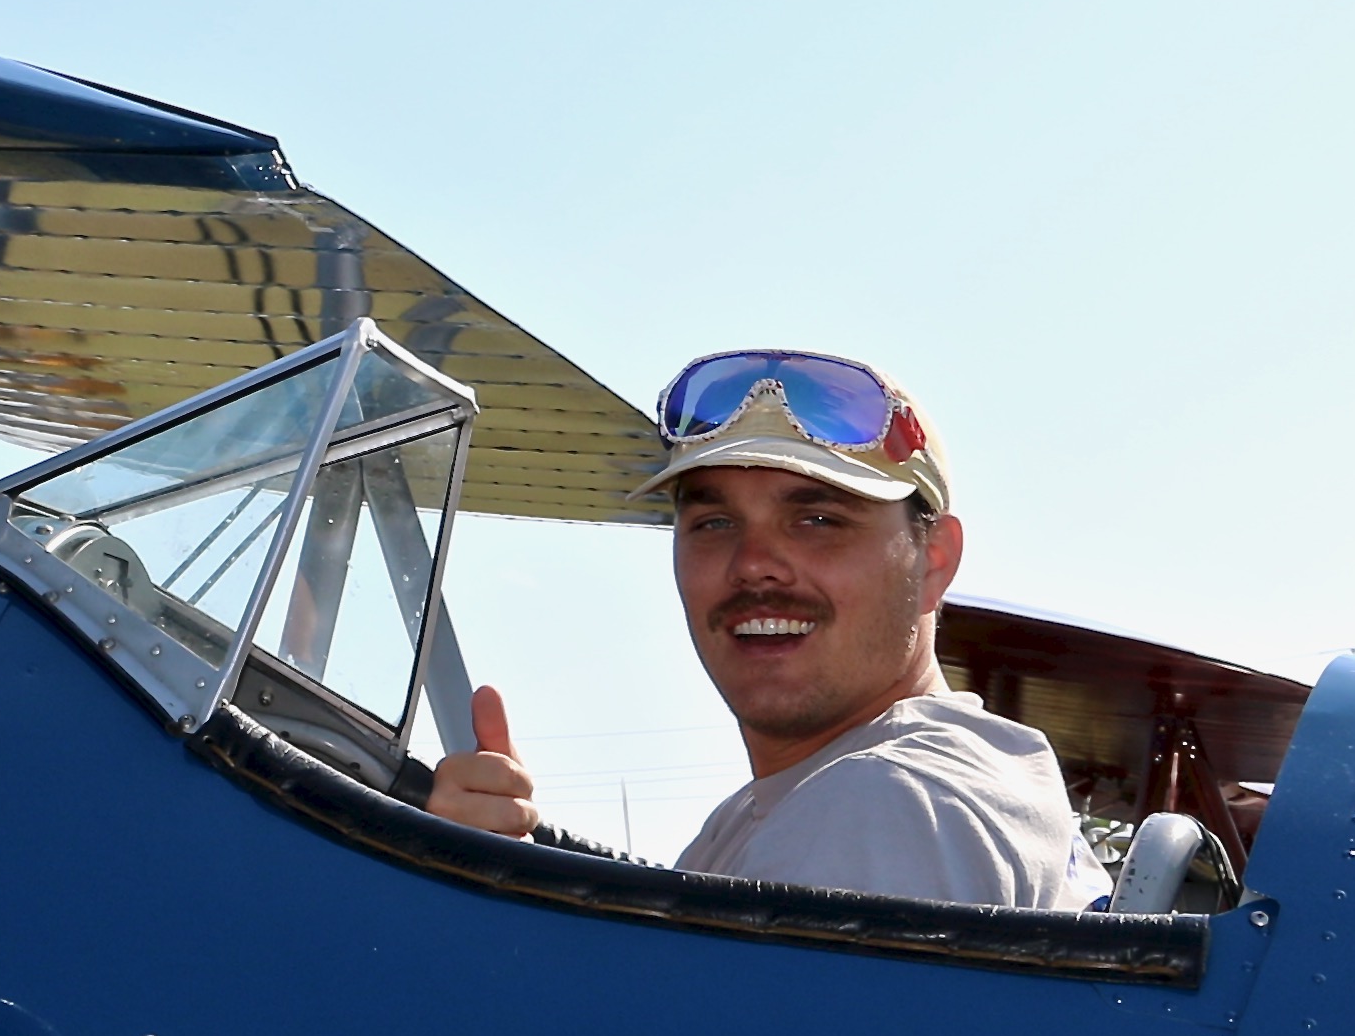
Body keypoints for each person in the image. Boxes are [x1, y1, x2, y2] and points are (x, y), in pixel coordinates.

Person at [425, 349, 1103, 910]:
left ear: (934, 561)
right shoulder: (783, 807)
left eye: (817, 521)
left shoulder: (884, 801)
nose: (753, 566)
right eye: (713, 523)